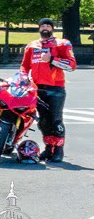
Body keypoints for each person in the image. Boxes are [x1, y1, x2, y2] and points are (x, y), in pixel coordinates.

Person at [21, 18, 75, 162]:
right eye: (43, 25)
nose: (45, 27)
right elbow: (24, 66)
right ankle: (48, 147)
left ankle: (58, 150)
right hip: (37, 89)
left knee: (56, 120)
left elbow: (71, 65)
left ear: (52, 28)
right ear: (39, 28)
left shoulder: (63, 44)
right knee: (43, 121)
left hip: (56, 88)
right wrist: (23, 78)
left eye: (48, 25)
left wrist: (52, 59)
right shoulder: (32, 46)